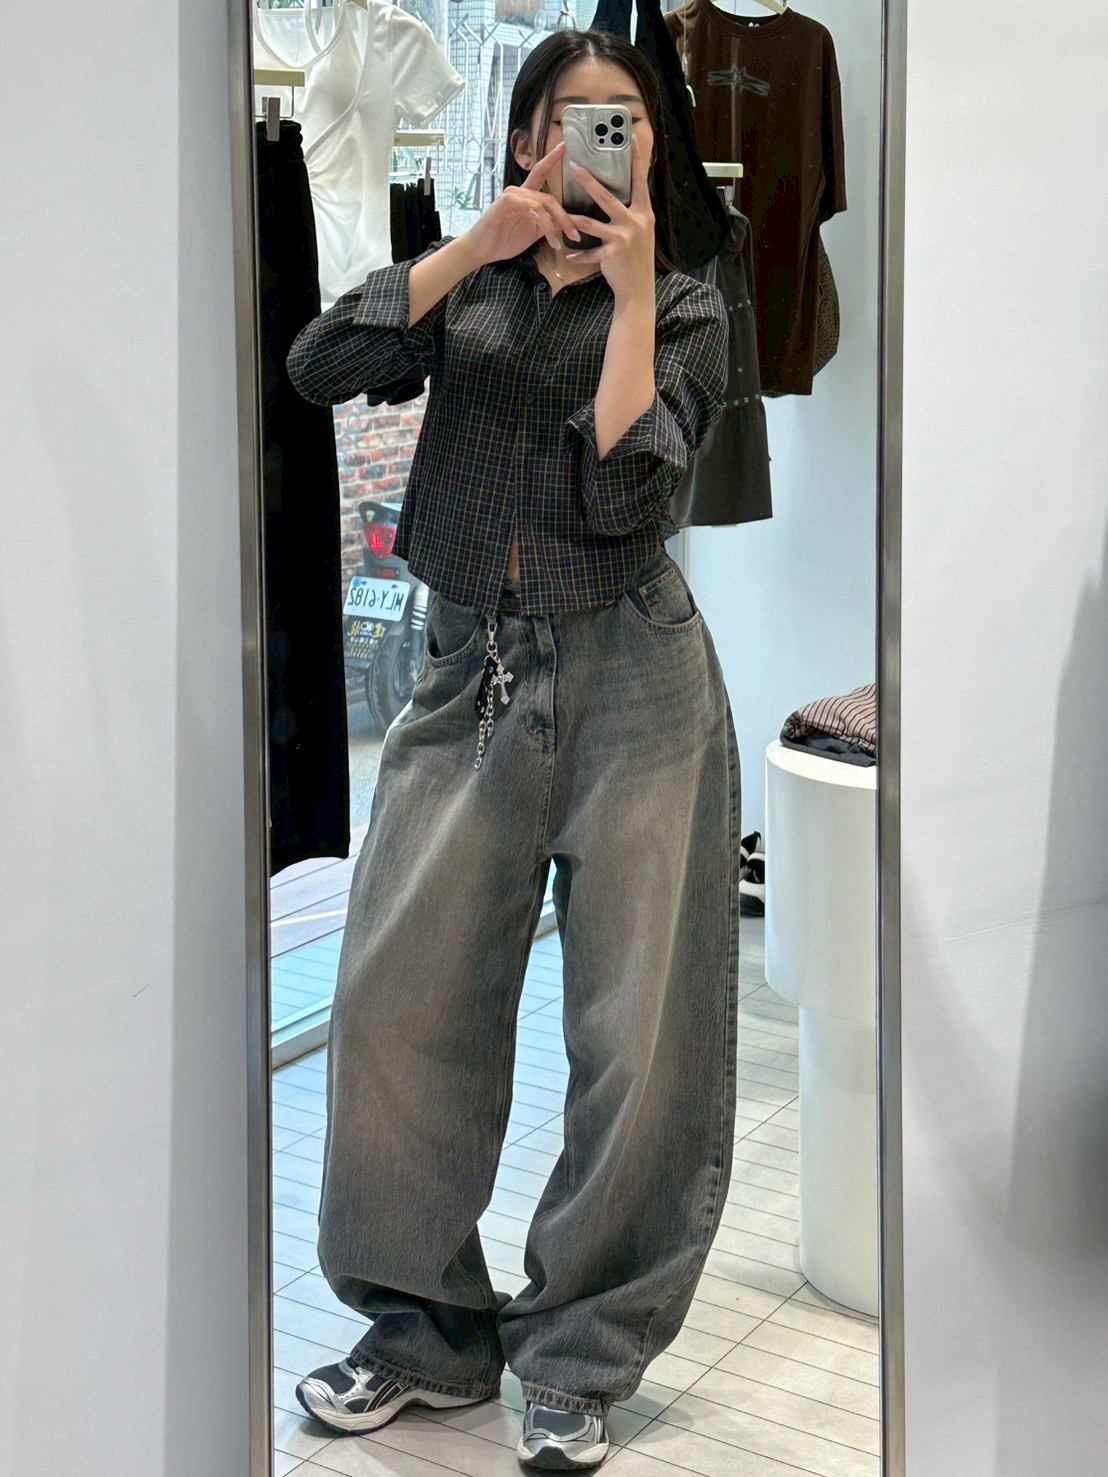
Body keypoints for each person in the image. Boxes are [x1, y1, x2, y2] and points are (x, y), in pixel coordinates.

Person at [285, 28, 741, 1472]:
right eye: (569, 119)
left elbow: (629, 494)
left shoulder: (686, 304)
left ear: (653, 144)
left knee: (641, 1034)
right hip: (466, 666)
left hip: (635, 677)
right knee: (399, 1002)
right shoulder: (475, 279)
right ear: (528, 136)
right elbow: (320, 364)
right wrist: (469, 247)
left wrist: (626, 292)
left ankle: (579, 1351)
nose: (598, 143)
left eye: (624, 120)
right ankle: (426, 1333)